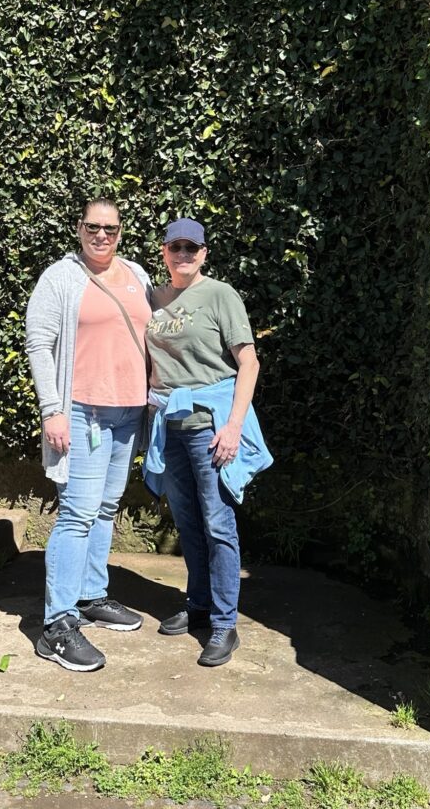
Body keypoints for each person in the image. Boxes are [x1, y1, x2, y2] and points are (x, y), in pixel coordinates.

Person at [25, 198, 152, 672]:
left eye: (111, 228)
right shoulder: (61, 277)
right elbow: (39, 342)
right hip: (82, 412)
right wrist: (51, 409)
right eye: (93, 227)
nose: (102, 236)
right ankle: (56, 626)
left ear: (121, 232)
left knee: (104, 506)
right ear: (79, 228)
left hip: (127, 413)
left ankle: (91, 595)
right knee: (77, 513)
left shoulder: (137, 274)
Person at [144, 217, 273, 667]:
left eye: (191, 248)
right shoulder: (153, 299)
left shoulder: (221, 295)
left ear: (204, 253)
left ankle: (224, 623)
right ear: (164, 251)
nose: (183, 255)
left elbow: (249, 363)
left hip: (208, 427)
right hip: (168, 427)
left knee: (218, 524)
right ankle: (199, 605)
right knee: (188, 522)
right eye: (175, 247)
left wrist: (233, 425)